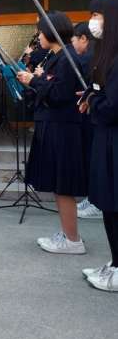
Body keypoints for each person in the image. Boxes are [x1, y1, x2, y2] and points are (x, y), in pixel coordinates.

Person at [17, 11, 87, 254]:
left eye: (41, 32)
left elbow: (59, 94)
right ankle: (68, 235)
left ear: (51, 31)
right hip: (54, 125)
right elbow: (52, 86)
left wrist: (34, 81)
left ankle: (73, 240)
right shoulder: (57, 57)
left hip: (62, 128)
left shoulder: (67, 58)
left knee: (63, 184)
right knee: (59, 184)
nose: (38, 37)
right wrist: (36, 79)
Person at [79, 0, 118, 292]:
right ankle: (115, 262)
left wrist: (94, 101)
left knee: (114, 206)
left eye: (97, 15)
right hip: (106, 138)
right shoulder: (107, 54)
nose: (93, 22)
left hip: (113, 142)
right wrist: (93, 96)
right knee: (109, 207)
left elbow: (111, 107)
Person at [71, 22, 102, 220]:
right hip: (91, 112)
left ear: (83, 39)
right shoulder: (92, 55)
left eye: (73, 40)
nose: (72, 44)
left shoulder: (89, 57)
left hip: (95, 115)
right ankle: (92, 197)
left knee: (94, 159)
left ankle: (97, 202)